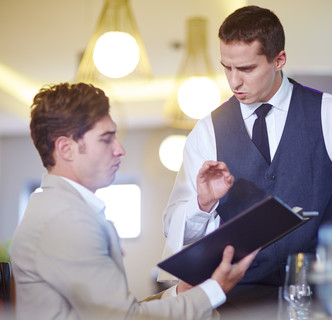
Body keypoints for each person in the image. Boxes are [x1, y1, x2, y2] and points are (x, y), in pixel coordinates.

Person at [162, 4, 332, 308]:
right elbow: (176, 229)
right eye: (227, 67)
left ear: (279, 59)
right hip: (235, 304)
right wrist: (203, 204)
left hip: (319, 298)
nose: (234, 82)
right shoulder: (206, 132)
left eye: (246, 69)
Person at [10, 82, 258, 320]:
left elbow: (112, 312)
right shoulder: (67, 220)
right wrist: (215, 290)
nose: (120, 149)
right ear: (66, 149)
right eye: (106, 139)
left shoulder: (60, 210)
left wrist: (180, 293)